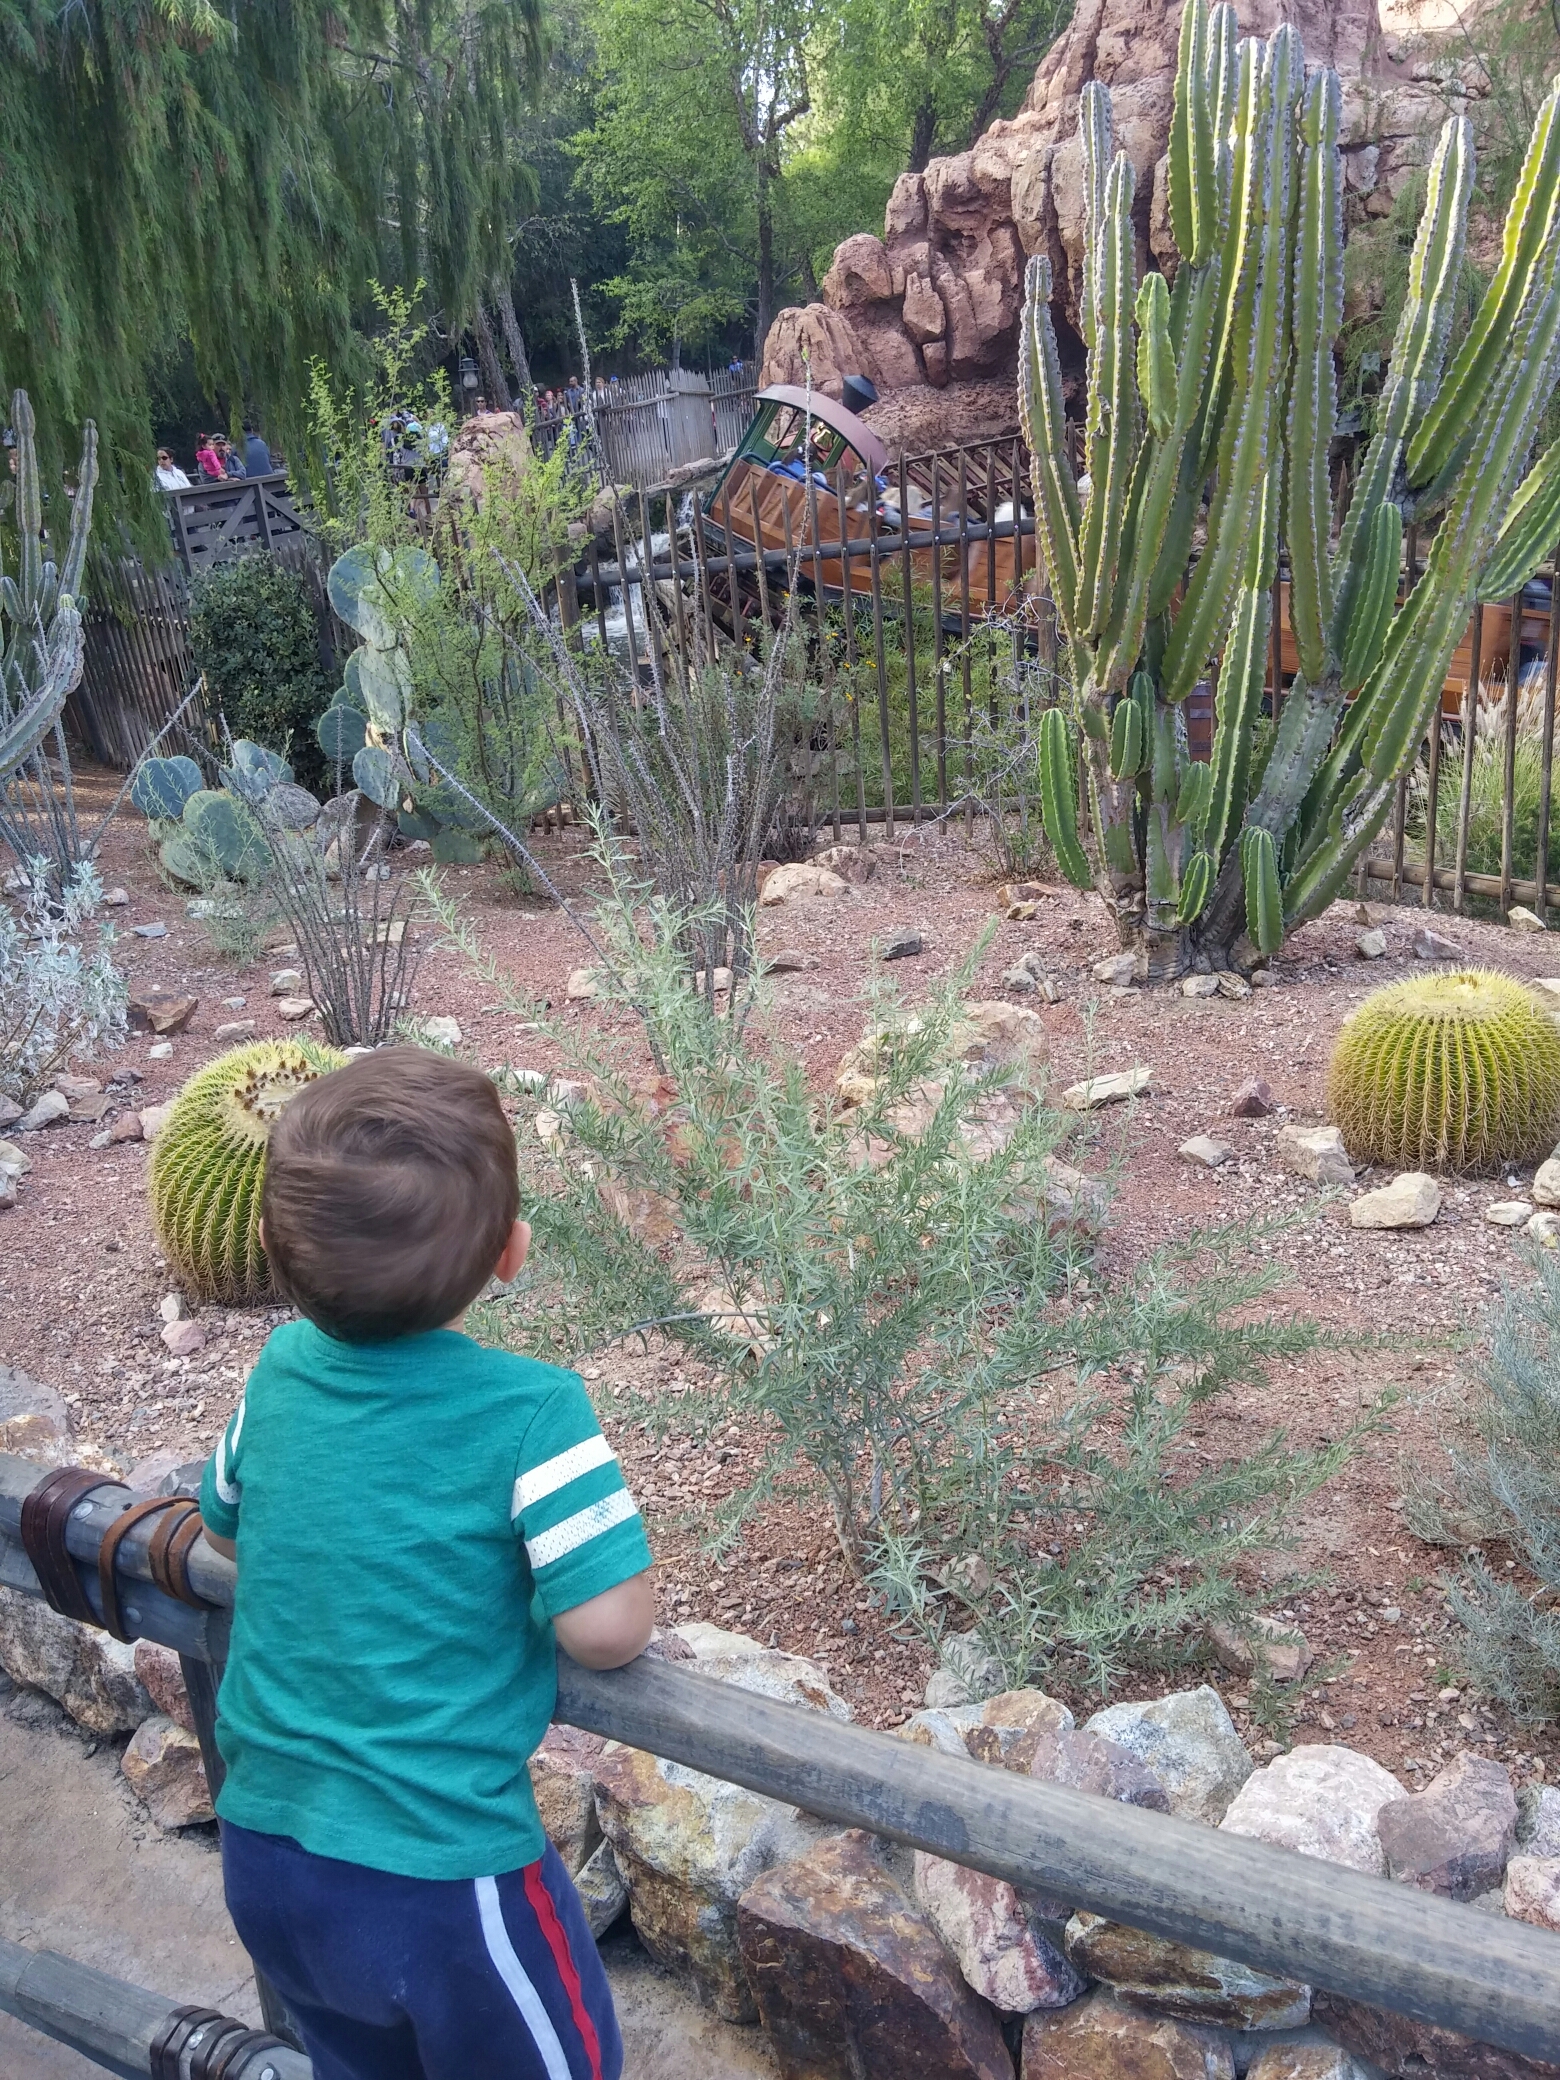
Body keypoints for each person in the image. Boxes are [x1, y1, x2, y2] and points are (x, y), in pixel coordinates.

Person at [200, 1048, 653, 2080]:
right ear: (511, 1252)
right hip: (443, 1886)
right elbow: (607, 1628)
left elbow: (225, 1529)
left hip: (266, 1856)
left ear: (271, 1248)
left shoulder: (277, 1374)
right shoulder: (533, 1411)